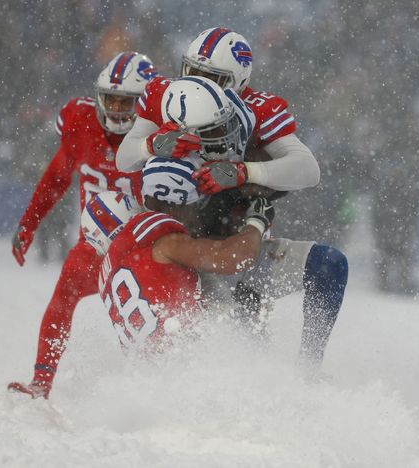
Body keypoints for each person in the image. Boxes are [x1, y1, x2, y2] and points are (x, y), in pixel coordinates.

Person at [146, 77, 349, 375]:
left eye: (229, 125)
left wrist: (248, 173)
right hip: (197, 269)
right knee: (237, 352)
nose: (228, 135)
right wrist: (253, 219)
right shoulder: (168, 164)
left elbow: (305, 171)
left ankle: (309, 369)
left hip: (241, 259)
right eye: (216, 129)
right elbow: (222, 253)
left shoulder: (248, 127)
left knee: (329, 265)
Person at [8, 52, 160, 399]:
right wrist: (28, 224)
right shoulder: (80, 119)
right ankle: (41, 383)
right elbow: (57, 176)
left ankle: (162, 389)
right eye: (111, 99)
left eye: (127, 102)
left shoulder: (161, 135)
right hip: (95, 246)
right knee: (63, 296)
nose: (117, 110)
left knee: (150, 319)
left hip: (146, 249)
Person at [82, 163, 273, 355]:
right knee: (247, 300)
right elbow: (236, 258)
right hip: (195, 355)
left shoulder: (109, 280)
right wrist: (257, 221)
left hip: (153, 374)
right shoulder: (160, 245)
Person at [116, 27, 320, 199]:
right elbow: (124, 160)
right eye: (193, 71)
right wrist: (150, 145)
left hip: (229, 219)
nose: (197, 83)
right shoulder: (162, 93)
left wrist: (246, 172)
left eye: (211, 77)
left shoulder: (258, 108)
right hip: (164, 212)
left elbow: (308, 169)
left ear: (239, 82)